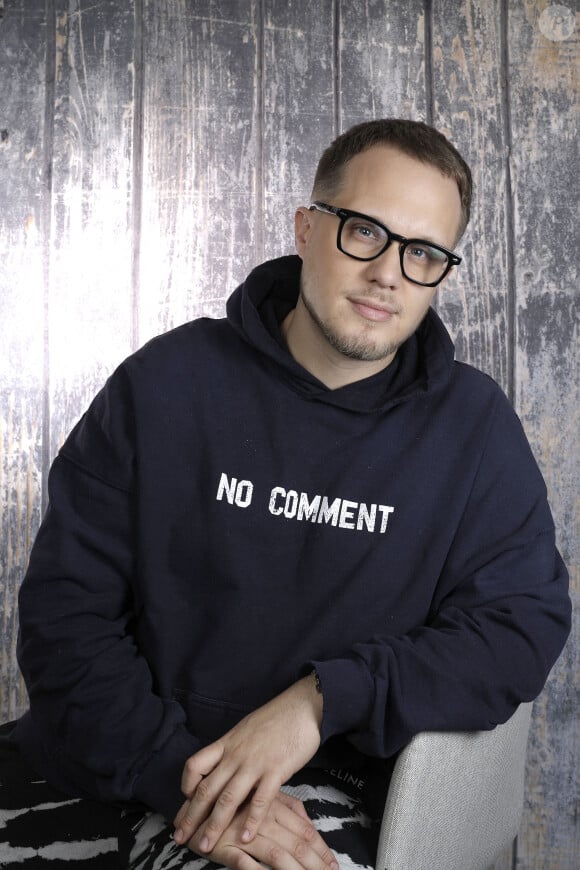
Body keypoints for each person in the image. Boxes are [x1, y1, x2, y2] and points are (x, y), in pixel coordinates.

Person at [0, 119, 571, 870]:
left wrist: (321, 700)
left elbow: (520, 629)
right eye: (365, 231)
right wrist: (183, 777)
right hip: (109, 757)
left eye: (424, 252)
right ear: (307, 228)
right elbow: (63, 622)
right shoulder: (164, 385)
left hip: (324, 786)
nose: (389, 273)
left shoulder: (474, 431)